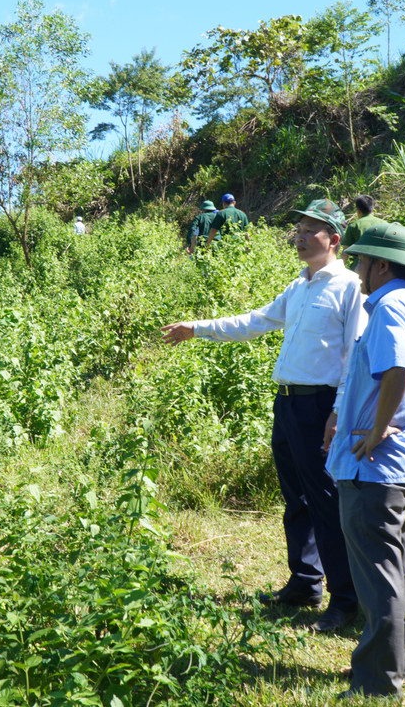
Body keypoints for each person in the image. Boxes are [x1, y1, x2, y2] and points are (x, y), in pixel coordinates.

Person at [162, 199, 365, 632]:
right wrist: (198, 327)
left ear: (335, 239)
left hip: (320, 406)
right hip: (289, 402)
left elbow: (354, 353)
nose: (302, 236)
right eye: (300, 228)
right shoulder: (300, 287)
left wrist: (338, 410)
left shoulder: (350, 287)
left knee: (326, 501)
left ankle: (345, 599)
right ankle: (305, 582)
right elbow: (255, 322)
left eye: (313, 230)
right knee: (298, 498)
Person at [323, 222, 405, 699]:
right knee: (401, 574)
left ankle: (379, 681)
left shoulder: (392, 305)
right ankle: (401, 667)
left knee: (379, 580)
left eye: (361, 261)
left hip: (374, 468)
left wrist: (377, 427)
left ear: (381, 264)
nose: (356, 272)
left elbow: (399, 367)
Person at [341, 194, 380, 265]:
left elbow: (345, 252)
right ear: (373, 209)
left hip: (360, 267)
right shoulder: (385, 224)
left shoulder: (354, 225)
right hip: (380, 268)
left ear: (358, 210)